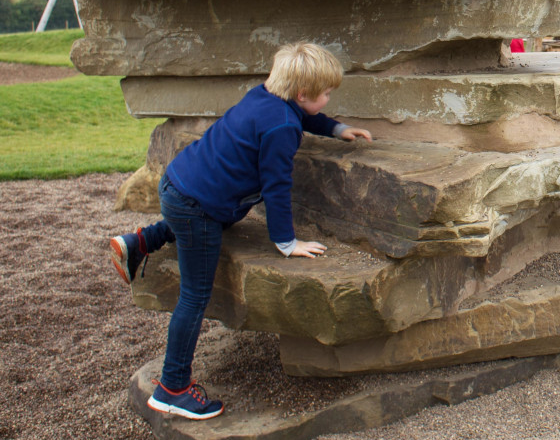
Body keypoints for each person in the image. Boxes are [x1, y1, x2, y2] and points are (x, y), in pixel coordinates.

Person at [106, 43, 373, 420]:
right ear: (301, 93)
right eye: (326, 94)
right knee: (195, 294)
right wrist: (286, 242)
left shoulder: (263, 95)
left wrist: (335, 127)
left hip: (180, 182)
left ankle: (141, 243)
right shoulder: (281, 126)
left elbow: (300, 114)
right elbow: (278, 185)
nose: (328, 98)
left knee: (217, 220)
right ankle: (172, 388)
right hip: (196, 205)